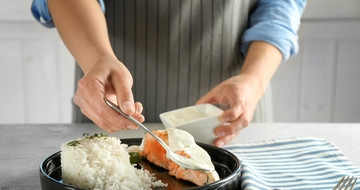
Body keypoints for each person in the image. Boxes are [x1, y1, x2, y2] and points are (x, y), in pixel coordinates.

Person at [31, 0, 306, 147]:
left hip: (236, 111)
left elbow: (282, 5)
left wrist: (253, 81)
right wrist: (97, 60)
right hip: (108, 97)